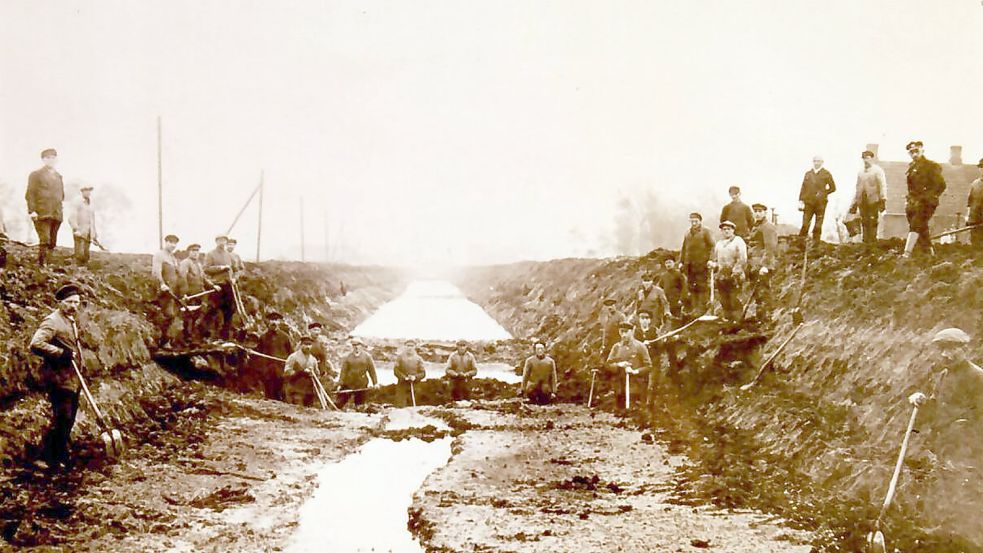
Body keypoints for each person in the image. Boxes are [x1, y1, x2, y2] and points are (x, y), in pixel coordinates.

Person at [908, 328, 983, 469]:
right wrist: (921, 401)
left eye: (951, 349)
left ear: (964, 349)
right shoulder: (943, 376)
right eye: (942, 349)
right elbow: (935, 409)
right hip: (944, 447)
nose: (945, 355)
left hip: (967, 452)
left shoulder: (977, 377)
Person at [29, 284, 84, 471]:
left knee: (69, 419)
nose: (74, 306)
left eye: (77, 302)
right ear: (60, 302)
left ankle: (59, 454)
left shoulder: (71, 320)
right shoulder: (52, 321)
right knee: (62, 417)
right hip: (58, 377)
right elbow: (36, 343)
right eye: (69, 302)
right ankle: (43, 457)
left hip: (72, 378)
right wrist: (61, 353)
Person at [902, 141, 947, 258]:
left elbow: (941, 185)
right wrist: (909, 199)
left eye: (916, 151)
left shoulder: (931, 166)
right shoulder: (911, 169)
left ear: (922, 151)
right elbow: (911, 188)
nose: (914, 154)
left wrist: (927, 197)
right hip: (913, 203)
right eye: (911, 152)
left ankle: (906, 253)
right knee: (921, 228)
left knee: (916, 224)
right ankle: (930, 254)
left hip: (927, 203)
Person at [25, 148, 65, 265]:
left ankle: (49, 265)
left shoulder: (58, 176)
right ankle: (42, 265)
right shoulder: (36, 175)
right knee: (45, 240)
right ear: (43, 160)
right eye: (48, 158)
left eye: (53, 158)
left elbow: (61, 195)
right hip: (42, 212)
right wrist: (32, 211)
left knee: (52, 242)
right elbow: (30, 193)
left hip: (56, 213)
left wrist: (60, 209)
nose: (51, 160)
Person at [606, 321, 653, 411]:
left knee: (635, 412)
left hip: (636, 386)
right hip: (619, 387)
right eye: (621, 332)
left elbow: (649, 366)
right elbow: (608, 364)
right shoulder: (616, 347)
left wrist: (635, 371)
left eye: (626, 332)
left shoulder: (640, 346)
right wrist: (619, 365)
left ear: (632, 331)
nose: (623, 335)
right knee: (620, 412)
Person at [177, 244, 219, 344]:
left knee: (199, 315)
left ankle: (197, 336)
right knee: (189, 317)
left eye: (197, 251)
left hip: (200, 294)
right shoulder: (185, 263)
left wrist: (213, 286)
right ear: (189, 252)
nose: (195, 253)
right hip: (190, 295)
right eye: (193, 251)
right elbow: (182, 279)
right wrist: (184, 294)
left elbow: (204, 278)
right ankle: (186, 339)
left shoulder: (198, 264)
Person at [708, 220, 748, 322]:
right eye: (724, 229)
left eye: (728, 229)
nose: (726, 231)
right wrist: (713, 264)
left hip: (735, 275)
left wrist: (736, 271)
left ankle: (737, 321)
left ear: (733, 230)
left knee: (734, 299)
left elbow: (742, 258)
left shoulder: (738, 241)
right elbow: (716, 260)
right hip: (722, 276)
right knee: (724, 299)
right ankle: (728, 320)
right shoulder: (719, 244)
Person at [747, 203, 779, 322]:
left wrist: (765, 265)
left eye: (760, 211)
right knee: (757, 294)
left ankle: (768, 319)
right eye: (755, 211)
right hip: (754, 265)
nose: (757, 213)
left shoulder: (767, 227)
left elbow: (770, 247)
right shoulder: (757, 226)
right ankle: (760, 318)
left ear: (765, 213)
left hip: (763, 265)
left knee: (764, 292)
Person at [849, 150, 887, 246]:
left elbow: (882, 185)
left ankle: (872, 241)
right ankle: (865, 241)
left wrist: (883, 199)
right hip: (862, 200)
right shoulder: (861, 172)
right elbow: (858, 188)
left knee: (873, 220)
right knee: (864, 220)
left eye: (868, 158)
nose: (866, 161)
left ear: (872, 159)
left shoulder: (877, 170)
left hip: (873, 199)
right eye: (864, 158)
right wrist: (854, 203)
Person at [680, 212, 715, 315]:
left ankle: (702, 309)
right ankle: (694, 308)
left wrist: (711, 259)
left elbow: (712, 246)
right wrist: (681, 262)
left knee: (702, 286)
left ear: (700, 221)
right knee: (691, 286)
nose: (694, 223)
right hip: (690, 265)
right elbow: (684, 248)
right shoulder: (687, 233)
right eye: (692, 221)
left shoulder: (706, 232)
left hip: (702, 265)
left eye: (696, 221)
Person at [202, 235, 237, 340]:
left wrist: (235, 278)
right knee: (213, 309)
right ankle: (207, 334)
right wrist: (220, 268)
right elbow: (206, 269)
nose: (222, 243)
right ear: (216, 242)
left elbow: (236, 269)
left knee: (229, 310)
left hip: (228, 286)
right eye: (220, 241)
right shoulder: (210, 254)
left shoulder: (229, 255)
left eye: (224, 241)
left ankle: (225, 335)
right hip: (217, 286)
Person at [151, 234, 182, 348]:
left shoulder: (173, 258)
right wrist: (162, 284)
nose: (173, 245)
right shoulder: (159, 255)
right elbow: (156, 271)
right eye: (171, 242)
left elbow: (177, 274)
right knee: (167, 314)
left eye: (175, 243)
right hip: (164, 290)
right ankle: (161, 342)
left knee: (172, 315)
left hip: (172, 291)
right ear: (166, 242)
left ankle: (165, 340)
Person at [798, 156, 836, 243]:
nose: (816, 163)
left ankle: (816, 244)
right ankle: (800, 244)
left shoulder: (826, 174)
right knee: (805, 223)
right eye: (815, 161)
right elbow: (803, 187)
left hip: (820, 203)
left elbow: (833, 188)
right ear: (813, 162)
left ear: (822, 162)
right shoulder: (808, 174)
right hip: (808, 202)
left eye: (818, 161)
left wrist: (823, 193)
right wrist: (801, 200)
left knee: (818, 225)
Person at [255, 312, 293, 399]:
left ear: (279, 322)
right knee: (268, 394)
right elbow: (258, 354)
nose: (274, 322)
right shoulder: (263, 337)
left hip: (280, 370)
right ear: (268, 321)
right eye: (272, 320)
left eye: (276, 320)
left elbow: (291, 354)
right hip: (267, 370)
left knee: (280, 394)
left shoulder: (285, 337)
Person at [337, 337, 378, 409]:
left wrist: (375, 383)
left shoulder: (367, 357)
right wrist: (340, 384)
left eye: (358, 345)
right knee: (339, 403)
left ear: (361, 346)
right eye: (354, 345)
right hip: (349, 383)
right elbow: (343, 372)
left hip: (361, 384)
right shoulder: (348, 357)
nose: (356, 347)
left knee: (360, 405)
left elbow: (372, 371)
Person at [282, 335, 321, 407]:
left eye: (309, 344)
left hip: (308, 391)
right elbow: (287, 372)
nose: (308, 347)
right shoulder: (293, 357)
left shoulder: (313, 359)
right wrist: (300, 372)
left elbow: (317, 374)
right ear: (301, 345)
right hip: (295, 388)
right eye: (306, 344)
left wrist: (313, 374)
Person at [67, 184, 97, 265]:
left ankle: (84, 271)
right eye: (86, 190)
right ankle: (77, 270)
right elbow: (71, 217)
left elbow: (92, 219)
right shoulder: (77, 202)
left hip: (88, 232)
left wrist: (94, 233)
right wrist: (76, 229)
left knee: (86, 254)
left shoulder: (91, 204)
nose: (88, 192)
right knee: (79, 254)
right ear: (82, 191)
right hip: (80, 231)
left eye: (89, 190)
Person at [393, 339, 426, 407]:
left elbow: (423, 373)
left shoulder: (418, 359)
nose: (410, 348)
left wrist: (415, 377)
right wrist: (403, 377)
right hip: (402, 385)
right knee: (401, 405)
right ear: (405, 346)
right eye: (408, 346)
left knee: (414, 405)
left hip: (415, 386)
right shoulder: (400, 357)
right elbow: (395, 370)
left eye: (412, 346)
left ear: (414, 347)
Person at [966, 158, 983, 249]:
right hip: (975, 221)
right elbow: (969, 203)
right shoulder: (975, 184)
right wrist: (968, 217)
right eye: (981, 167)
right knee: (975, 246)